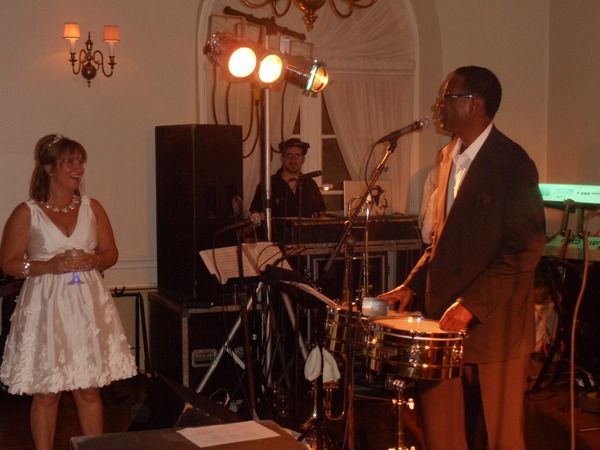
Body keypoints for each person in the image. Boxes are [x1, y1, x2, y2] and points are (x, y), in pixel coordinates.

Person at [379, 66, 546, 450]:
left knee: (497, 437)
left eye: (448, 97)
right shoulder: (446, 158)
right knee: (442, 433)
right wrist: (410, 286)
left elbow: (525, 249)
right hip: (441, 324)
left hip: (494, 328)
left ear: (475, 104)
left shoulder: (512, 163)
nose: (440, 105)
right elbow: (441, 242)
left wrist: (471, 305)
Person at [0, 134, 137, 450]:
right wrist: (48, 266)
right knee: (47, 392)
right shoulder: (28, 212)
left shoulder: (92, 208)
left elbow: (111, 253)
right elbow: (8, 262)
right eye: (70, 162)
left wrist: (95, 261)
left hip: (86, 305)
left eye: (81, 162)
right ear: (50, 168)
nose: (79, 168)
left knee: (88, 388)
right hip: (46, 306)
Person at [250, 138, 326, 219]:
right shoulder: (268, 184)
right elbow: (255, 213)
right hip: (277, 228)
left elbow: (321, 214)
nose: (293, 160)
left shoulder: (310, 185)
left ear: (303, 160)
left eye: (298, 156)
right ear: (282, 158)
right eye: (289, 155)